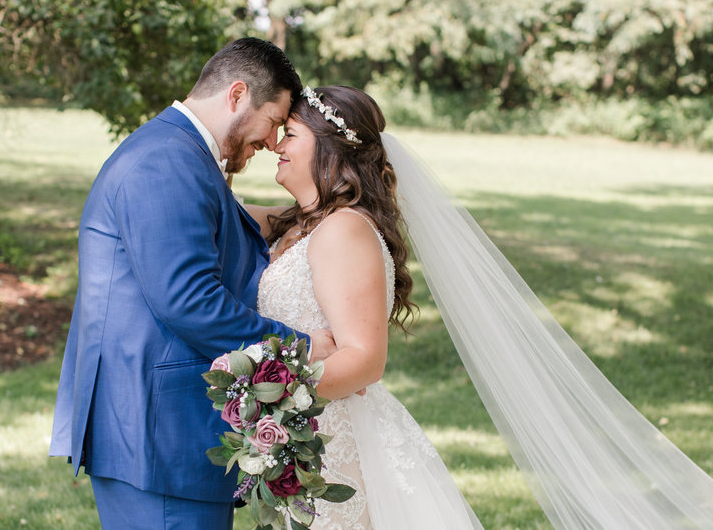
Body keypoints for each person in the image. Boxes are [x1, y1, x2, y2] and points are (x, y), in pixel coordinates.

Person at [248, 85, 713, 529]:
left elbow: (366, 359)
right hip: (303, 432)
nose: (275, 145)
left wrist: (265, 388)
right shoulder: (301, 224)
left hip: (338, 440)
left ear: (331, 148)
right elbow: (213, 204)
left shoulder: (344, 230)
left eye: (289, 135)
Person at [48, 38, 335, 530]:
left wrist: (320, 216)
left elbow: (225, 232)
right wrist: (300, 350)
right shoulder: (166, 161)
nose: (271, 142)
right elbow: (190, 301)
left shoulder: (179, 152)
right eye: (273, 122)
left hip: (159, 426)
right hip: (156, 432)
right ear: (237, 94)